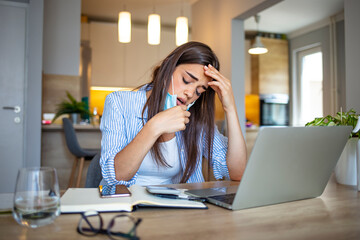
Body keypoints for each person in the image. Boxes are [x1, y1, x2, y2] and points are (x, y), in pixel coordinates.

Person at [99, 41, 247, 186]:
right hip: (128, 204)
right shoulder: (119, 102)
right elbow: (116, 176)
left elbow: (237, 172)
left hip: (177, 207)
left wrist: (230, 109)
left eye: (199, 91)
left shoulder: (196, 119)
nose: (190, 93)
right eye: (186, 80)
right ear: (169, 67)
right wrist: (154, 127)